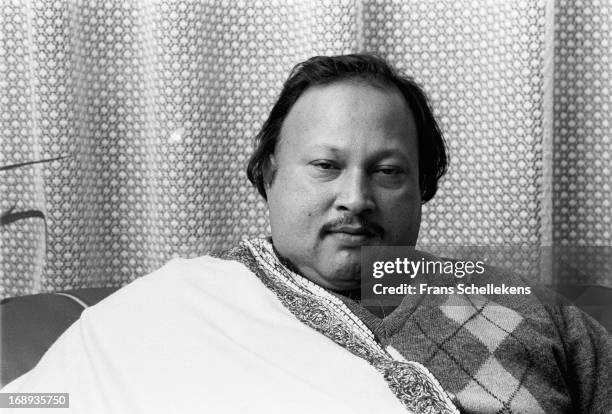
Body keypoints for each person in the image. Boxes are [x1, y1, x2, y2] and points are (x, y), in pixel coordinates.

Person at [2, 54, 611, 414]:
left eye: (388, 171)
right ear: (267, 176)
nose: (355, 197)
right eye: (325, 165)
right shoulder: (171, 309)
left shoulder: (522, 303)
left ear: (424, 185)